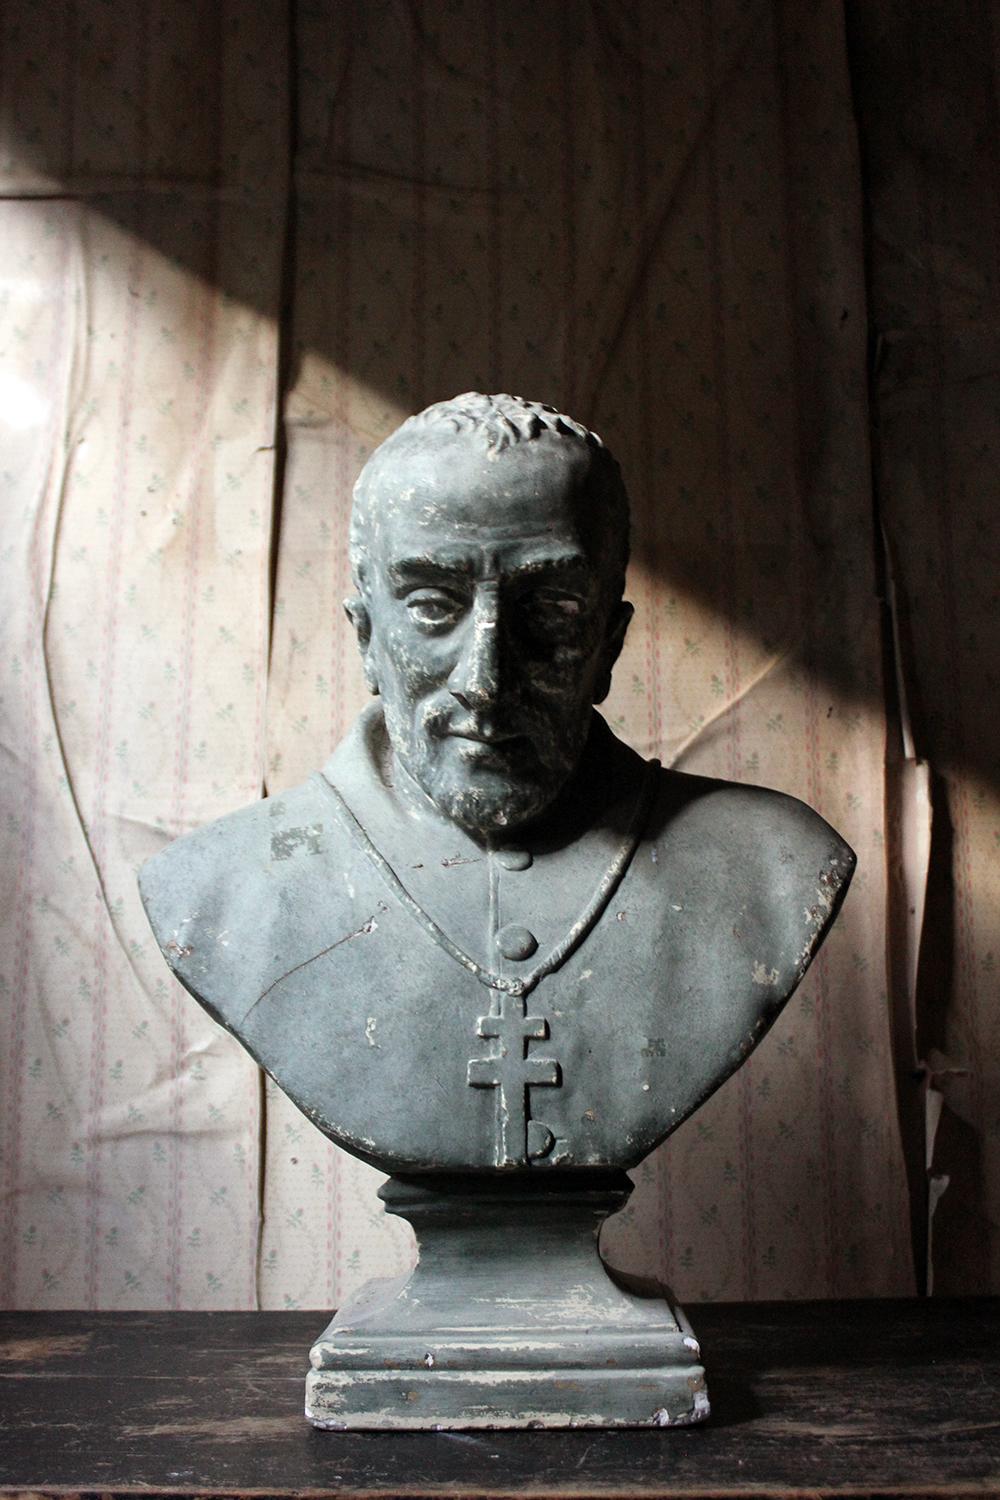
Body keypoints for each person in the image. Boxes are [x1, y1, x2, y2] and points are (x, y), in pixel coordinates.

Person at [140, 394, 854, 1175]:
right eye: (433, 605)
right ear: (366, 638)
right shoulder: (220, 890)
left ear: (609, 642)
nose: (486, 679)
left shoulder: (771, 866)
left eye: (548, 608)